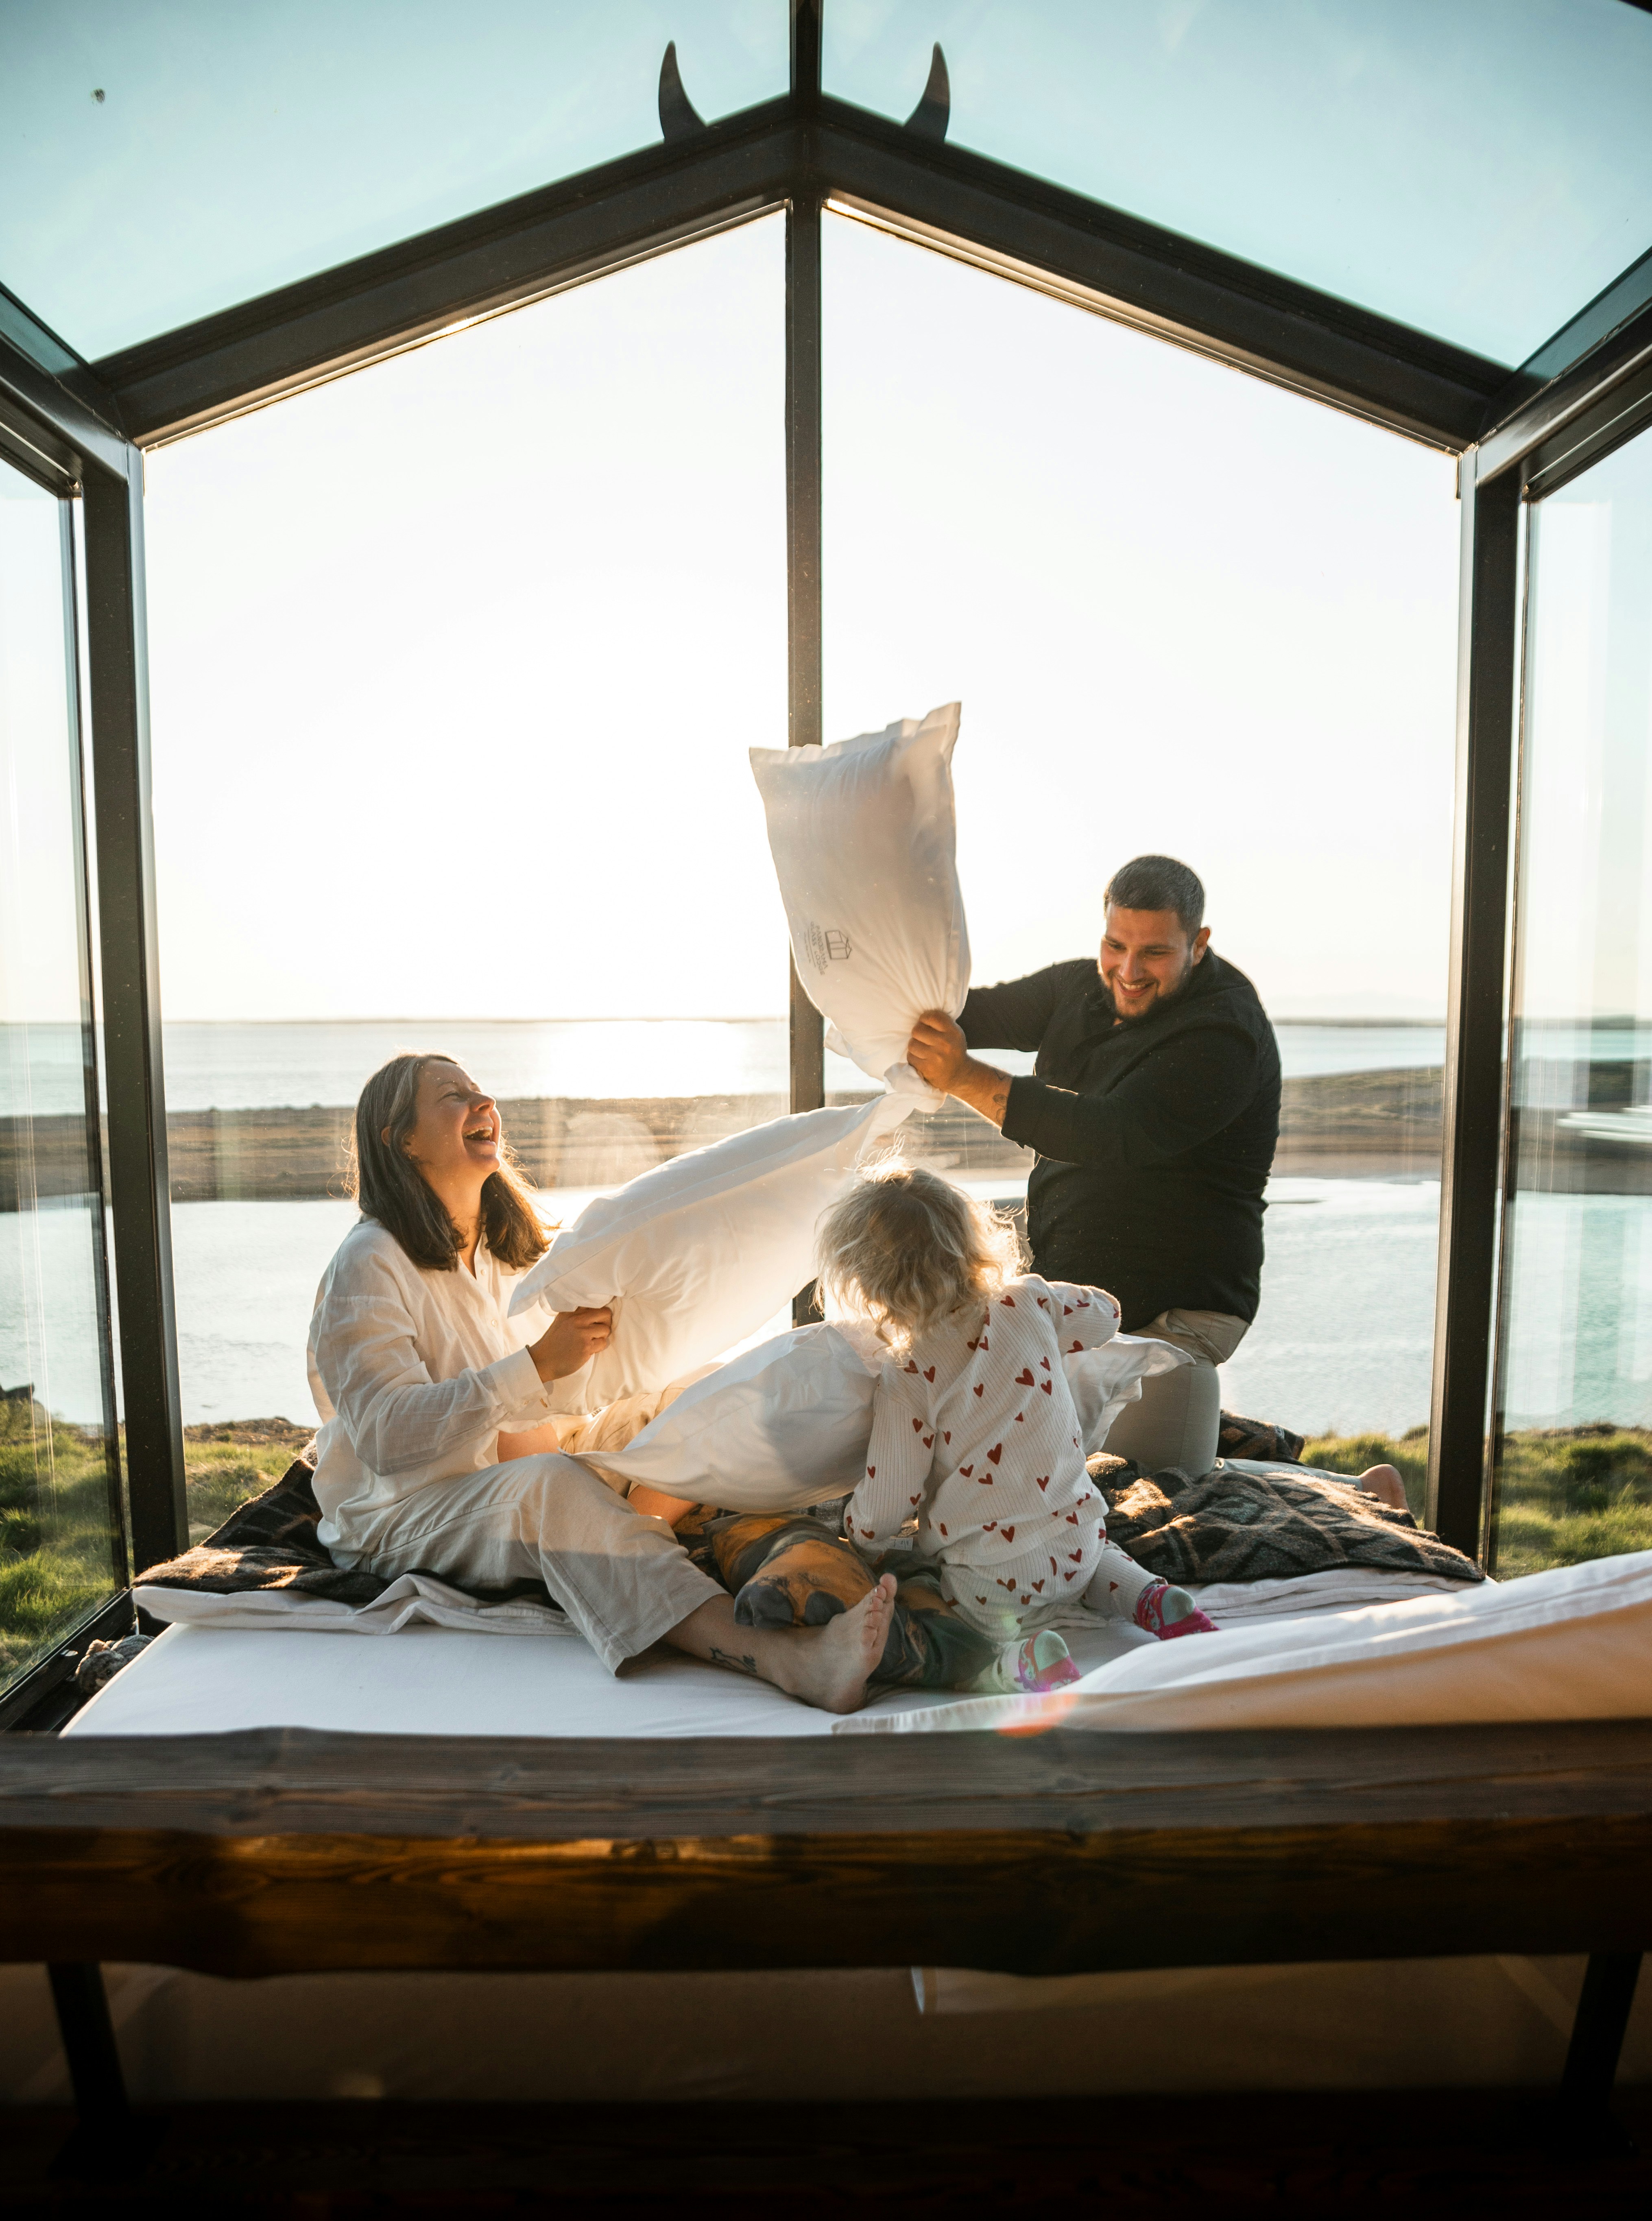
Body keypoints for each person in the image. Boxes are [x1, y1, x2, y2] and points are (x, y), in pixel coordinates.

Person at [306, 1051, 895, 1714]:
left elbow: (558, 1386)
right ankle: (784, 1659)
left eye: (480, 1089)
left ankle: (626, 1544)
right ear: (402, 1139)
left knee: (693, 1396)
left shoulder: (497, 1251)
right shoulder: (370, 1263)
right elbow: (388, 1439)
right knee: (546, 1486)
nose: (482, 1103)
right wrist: (536, 1365)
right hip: (401, 1514)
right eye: (452, 1096)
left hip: (514, 1460)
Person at [903, 854, 1277, 1481]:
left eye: (1154, 953)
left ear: (1198, 943)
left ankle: (1342, 1485)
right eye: (1114, 945)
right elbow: (969, 1013)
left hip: (1173, 1316)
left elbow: (1111, 1134)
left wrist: (964, 1078)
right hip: (1080, 1300)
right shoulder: (1080, 987)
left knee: (1109, 1486)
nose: (1127, 972)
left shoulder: (1224, 1031)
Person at [821, 1161, 1217, 1685]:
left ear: (868, 1281)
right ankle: (1153, 1598)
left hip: (993, 1573)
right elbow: (1108, 1315)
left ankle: (1023, 1658)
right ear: (972, 1237)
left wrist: (861, 1541)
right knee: (1098, 1562)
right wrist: (1048, 1314)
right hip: (1078, 1536)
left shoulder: (910, 1371)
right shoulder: (1030, 1299)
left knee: (954, 1633)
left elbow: (890, 1500)